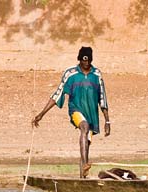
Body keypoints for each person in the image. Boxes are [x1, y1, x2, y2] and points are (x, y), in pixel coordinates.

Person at [31, 46, 110, 178]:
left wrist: (107, 121)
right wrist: (41, 114)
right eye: (83, 61)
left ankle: (82, 179)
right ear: (79, 60)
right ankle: (85, 164)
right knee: (84, 127)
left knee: (85, 147)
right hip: (76, 110)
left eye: (88, 61)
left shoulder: (97, 74)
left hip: (92, 115)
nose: (86, 64)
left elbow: (103, 97)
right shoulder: (70, 74)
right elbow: (57, 94)